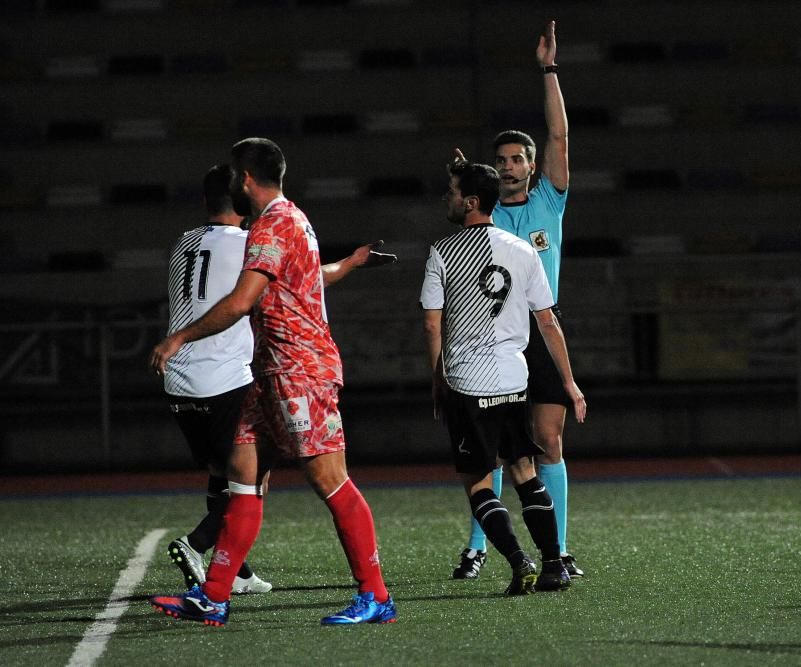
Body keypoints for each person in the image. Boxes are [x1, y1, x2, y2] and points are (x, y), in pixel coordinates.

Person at [148, 137, 397, 627]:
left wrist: (179, 338)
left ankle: (376, 596)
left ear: (245, 178)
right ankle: (214, 596)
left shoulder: (271, 225)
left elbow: (242, 301)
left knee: (329, 480)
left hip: (299, 369)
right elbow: (300, 281)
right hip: (269, 371)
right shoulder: (288, 220)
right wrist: (349, 265)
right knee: (242, 475)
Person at [451, 19, 583, 580]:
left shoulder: (549, 201)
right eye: (499, 160)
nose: (507, 166)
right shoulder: (487, 212)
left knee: (547, 438)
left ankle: (560, 548)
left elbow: (559, 137)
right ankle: (482, 544)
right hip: (494, 336)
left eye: (515, 159)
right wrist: (458, 182)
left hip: (543, 324)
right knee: (496, 446)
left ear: (531, 165)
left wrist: (549, 69)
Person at [421, 159, 586, 595]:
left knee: (477, 481)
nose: (448, 198)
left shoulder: (443, 251)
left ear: (471, 201)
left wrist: (437, 379)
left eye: (453, 191)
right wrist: (568, 381)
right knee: (525, 470)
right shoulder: (522, 249)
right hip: (514, 379)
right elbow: (547, 321)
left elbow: (432, 325)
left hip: (466, 382)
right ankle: (555, 564)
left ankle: (518, 560)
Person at [162, 163, 270, 596]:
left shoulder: (182, 242)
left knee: (218, 472)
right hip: (224, 379)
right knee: (253, 478)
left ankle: (238, 570)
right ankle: (197, 544)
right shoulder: (248, 246)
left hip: (179, 381)